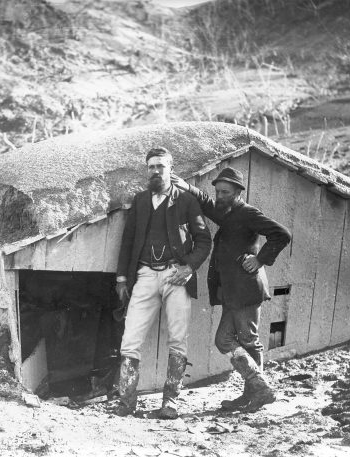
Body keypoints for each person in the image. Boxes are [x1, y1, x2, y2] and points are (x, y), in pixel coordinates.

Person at [172, 167, 291, 413]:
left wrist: (260, 259)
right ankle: (255, 390)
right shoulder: (227, 212)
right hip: (232, 291)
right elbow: (206, 203)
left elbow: (282, 234)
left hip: (247, 289)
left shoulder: (247, 213)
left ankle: (258, 391)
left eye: (225, 192)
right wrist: (187, 187)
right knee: (224, 339)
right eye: (218, 191)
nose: (220, 195)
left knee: (249, 340)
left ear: (238, 192)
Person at [113, 147, 212, 419]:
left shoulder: (186, 201)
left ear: (171, 169)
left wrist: (189, 267)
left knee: (178, 339)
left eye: (160, 166)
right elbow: (128, 241)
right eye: (151, 167)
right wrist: (122, 278)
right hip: (144, 275)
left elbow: (204, 240)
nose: (155, 171)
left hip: (175, 276)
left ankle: (170, 402)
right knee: (130, 339)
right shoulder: (141, 200)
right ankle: (126, 402)